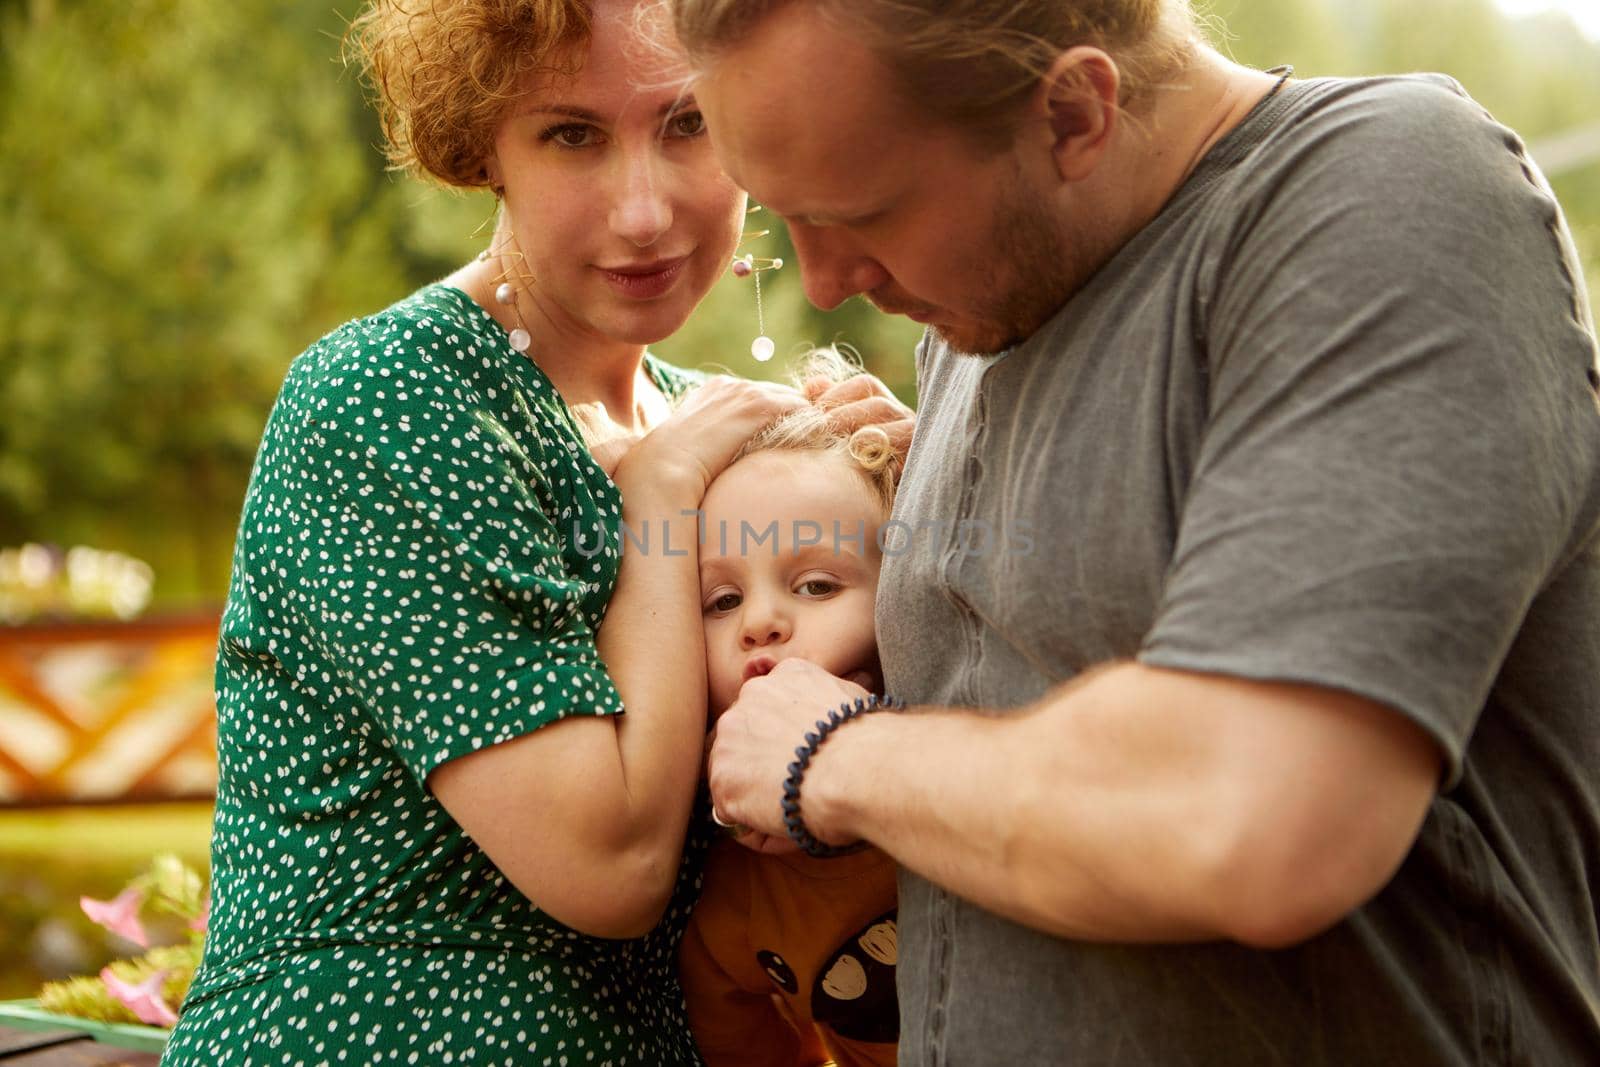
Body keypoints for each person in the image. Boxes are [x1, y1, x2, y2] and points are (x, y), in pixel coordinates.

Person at [666, 0, 1600, 1062]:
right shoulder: (978, 315)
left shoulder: (1386, 194)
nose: (828, 282)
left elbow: (1256, 816)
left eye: (862, 212)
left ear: (1072, 114)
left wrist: (830, 758)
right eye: (783, 223)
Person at [160, 0, 822, 1062]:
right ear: (482, 147)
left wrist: (898, 483)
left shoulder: (714, 429)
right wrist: (655, 505)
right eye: (572, 135)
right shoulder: (387, 400)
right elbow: (607, 866)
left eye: (689, 122)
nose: (645, 209)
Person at [677, 373, 903, 1067]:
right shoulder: (726, 907)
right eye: (722, 601)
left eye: (816, 585)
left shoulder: (983, 735)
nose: (761, 622)